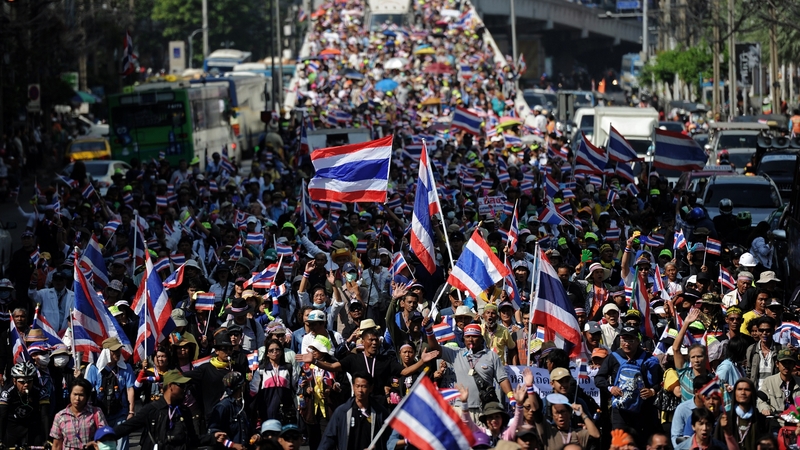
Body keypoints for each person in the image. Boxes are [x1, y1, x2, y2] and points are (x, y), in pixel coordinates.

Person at [113, 370, 228, 450]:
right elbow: (127, 427)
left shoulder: (184, 411)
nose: (184, 389)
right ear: (170, 386)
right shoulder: (152, 409)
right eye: (181, 385)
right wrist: (104, 437)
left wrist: (212, 438)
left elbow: (192, 440)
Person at [595, 325, 663, 448]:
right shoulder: (613, 357)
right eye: (624, 340)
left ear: (638, 341)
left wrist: (652, 391)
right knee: (619, 443)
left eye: (630, 340)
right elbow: (599, 378)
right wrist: (611, 388)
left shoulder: (648, 358)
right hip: (620, 412)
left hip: (643, 411)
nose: (626, 344)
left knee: (639, 444)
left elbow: (661, 381)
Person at [84, 337, 135, 450]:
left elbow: (130, 389)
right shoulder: (94, 369)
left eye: (119, 350)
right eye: (114, 351)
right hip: (100, 415)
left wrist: (131, 411)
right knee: (104, 446)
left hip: (121, 414)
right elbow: (86, 391)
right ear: (106, 352)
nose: (118, 353)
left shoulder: (126, 368)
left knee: (121, 446)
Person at [318, 373, 391, 450]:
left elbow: (388, 439)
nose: (360, 390)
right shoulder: (342, 411)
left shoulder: (380, 412)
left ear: (371, 388)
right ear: (353, 387)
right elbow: (329, 439)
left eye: (364, 386)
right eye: (357, 386)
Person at [0, 361, 50, 446]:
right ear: (14, 381)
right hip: (12, 427)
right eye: (22, 382)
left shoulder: (40, 391)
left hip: (32, 428)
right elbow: (2, 416)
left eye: (29, 381)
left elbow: (45, 416)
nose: (26, 384)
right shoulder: (7, 392)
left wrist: (46, 439)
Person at [50, 378, 107, 450]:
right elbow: (56, 445)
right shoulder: (60, 416)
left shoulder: (96, 413)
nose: (77, 398)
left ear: (87, 396)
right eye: (75, 394)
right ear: (70, 394)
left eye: (81, 395)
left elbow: (105, 438)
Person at [530, 392, 601, 449]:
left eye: (563, 411)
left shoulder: (578, 434)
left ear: (569, 413)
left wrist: (582, 413)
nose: (560, 416)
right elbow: (536, 411)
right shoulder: (549, 432)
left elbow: (596, 435)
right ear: (552, 415)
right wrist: (529, 387)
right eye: (557, 413)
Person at [253, 338, 297, 425]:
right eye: (271, 350)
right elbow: (253, 390)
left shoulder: (289, 368)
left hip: (285, 411)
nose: (275, 352)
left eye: (277, 349)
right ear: (267, 354)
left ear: (281, 352)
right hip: (266, 410)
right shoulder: (261, 370)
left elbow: (296, 387)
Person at [716, 378, 767, 450]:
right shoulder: (726, 417)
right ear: (735, 392)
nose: (743, 393)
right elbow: (716, 443)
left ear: (752, 393)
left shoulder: (760, 419)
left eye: (747, 390)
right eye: (739, 389)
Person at [208, 371, 254, 447]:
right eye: (243, 384)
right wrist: (232, 445)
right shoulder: (223, 406)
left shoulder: (243, 405)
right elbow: (212, 433)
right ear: (241, 387)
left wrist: (255, 435)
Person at [757, 349, 800, 425]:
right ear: (777, 364)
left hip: (797, 424)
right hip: (777, 422)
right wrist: (765, 409)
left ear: (794, 365)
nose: (786, 366)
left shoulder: (798, 382)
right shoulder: (769, 381)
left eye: (789, 363)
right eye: (783, 363)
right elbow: (761, 400)